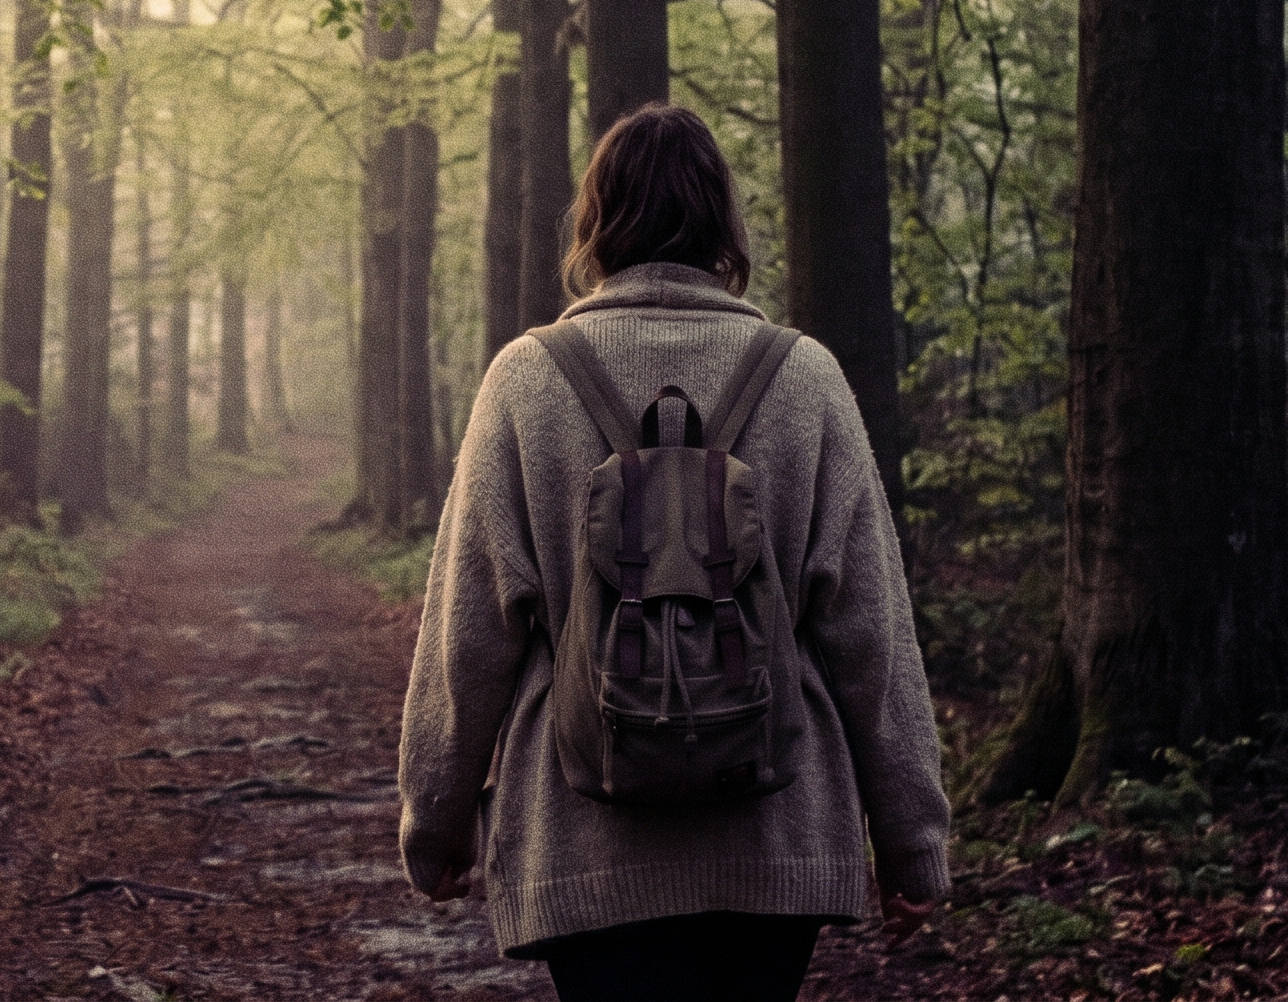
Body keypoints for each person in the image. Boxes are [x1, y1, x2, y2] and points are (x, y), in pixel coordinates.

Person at [398, 104, 949, 1001]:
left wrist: (437, 817)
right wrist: (912, 838)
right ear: (723, 226)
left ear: (595, 223)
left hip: (586, 841)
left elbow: (469, 629)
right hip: (774, 839)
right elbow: (869, 630)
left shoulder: (527, 378)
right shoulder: (803, 375)